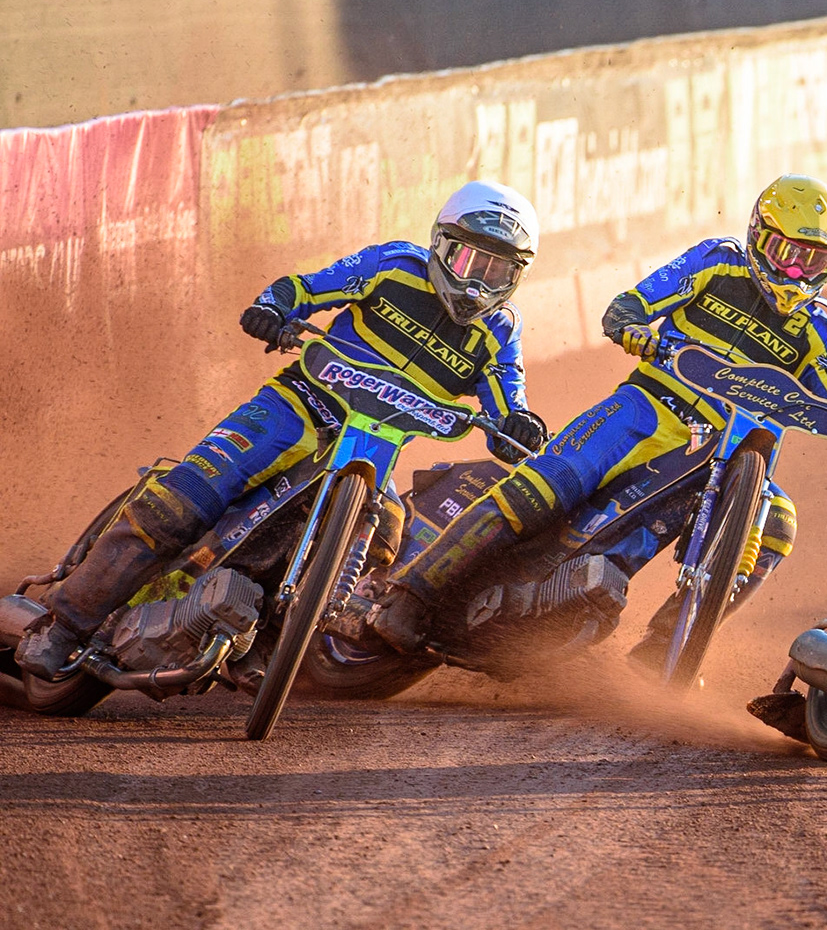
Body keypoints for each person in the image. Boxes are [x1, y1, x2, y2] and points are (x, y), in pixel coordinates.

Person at [14, 181, 549, 679]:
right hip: (298, 405)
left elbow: (507, 391)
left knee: (384, 536)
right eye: (467, 258)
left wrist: (518, 425)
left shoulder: (499, 328)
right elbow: (307, 287)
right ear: (439, 243)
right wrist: (274, 308)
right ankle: (64, 625)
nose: (478, 282)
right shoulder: (393, 266)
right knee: (185, 498)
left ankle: (266, 638)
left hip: (372, 450)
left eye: (498, 271)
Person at [367, 173, 827, 662]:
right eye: (785, 252)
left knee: (777, 526)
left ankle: (664, 647)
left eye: (812, 260)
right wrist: (633, 327)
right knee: (542, 489)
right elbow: (630, 304)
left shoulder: (819, 321)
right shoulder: (717, 261)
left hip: (733, 448)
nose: (795, 270)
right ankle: (409, 594)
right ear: (756, 234)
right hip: (648, 409)